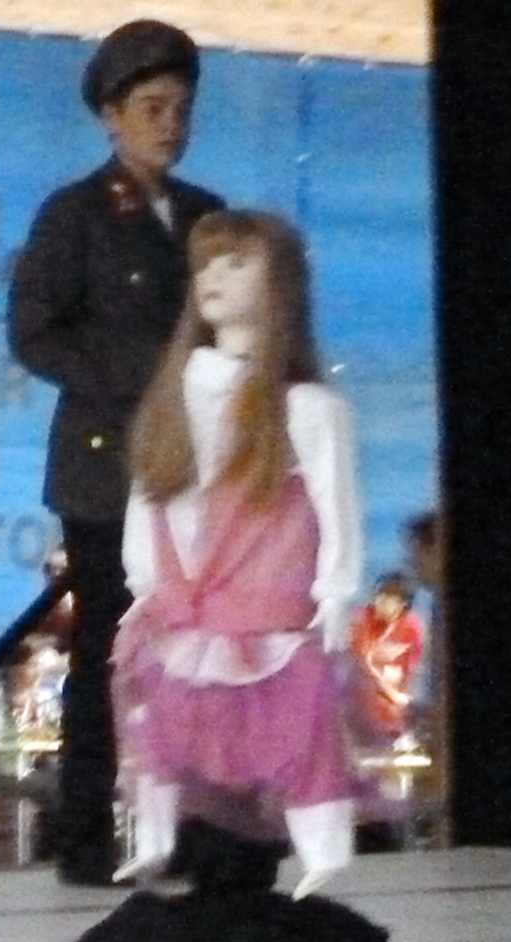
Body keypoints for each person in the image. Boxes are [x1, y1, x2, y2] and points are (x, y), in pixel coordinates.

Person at [8, 20, 224, 885]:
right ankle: (87, 832)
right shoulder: (75, 214)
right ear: (111, 115)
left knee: (199, 650)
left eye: (181, 109)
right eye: (152, 107)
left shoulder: (206, 215)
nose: (171, 124)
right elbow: (34, 333)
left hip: (195, 466)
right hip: (106, 466)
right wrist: (141, 376)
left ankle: (201, 825)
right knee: (106, 647)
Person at [109, 209, 365, 903]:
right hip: (182, 604)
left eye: (236, 263)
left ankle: (322, 848)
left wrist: (335, 591)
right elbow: (149, 498)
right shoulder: (172, 398)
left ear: (279, 284)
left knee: (296, 729)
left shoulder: (305, 407)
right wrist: (143, 585)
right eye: (205, 265)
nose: (213, 278)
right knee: (166, 722)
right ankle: (154, 838)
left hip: (264, 601)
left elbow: (336, 506)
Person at [350, 571, 426, 740]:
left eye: (386, 600)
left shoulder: (412, 628)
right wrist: (391, 694)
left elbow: (411, 669)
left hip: (394, 701)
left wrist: (402, 698)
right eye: (378, 597)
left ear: (402, 604)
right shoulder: (362, 620)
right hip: (365, 697)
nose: (379, 603)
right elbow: (363, 665)